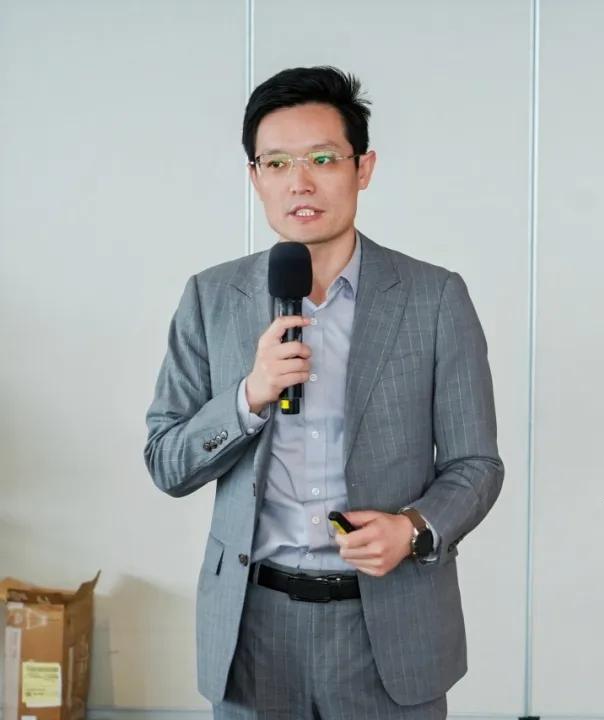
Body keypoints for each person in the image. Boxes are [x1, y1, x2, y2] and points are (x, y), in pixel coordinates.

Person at [144, 65, 503, 719]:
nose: (299, 182)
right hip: (253, 629)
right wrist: (249, 396)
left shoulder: (433, 297)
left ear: (363, 168)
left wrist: (413, 528)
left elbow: (476, 465)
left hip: (387, 624)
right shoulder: (210, 297)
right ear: (255, 177)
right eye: (277, 163)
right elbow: (167, 462)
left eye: (322, 159)